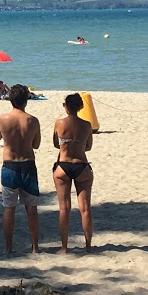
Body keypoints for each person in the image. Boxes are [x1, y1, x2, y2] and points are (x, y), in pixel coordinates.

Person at [0, 84, 42, 255]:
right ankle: (35, 247)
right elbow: (36, 144)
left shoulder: (2, 119)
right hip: (28, 165)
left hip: (9, 165)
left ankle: (8, 247)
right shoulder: (33, 120)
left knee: (9, 208)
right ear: (26, 100)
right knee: (31, 208)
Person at [51, 92, 94, 253]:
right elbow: (88, 147)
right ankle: (88, 245)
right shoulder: (86, 124)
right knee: (85, 208)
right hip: (82, 165)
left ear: (66, 106)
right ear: (81, 107)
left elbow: (56, 143)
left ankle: (64, 247)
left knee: (64, 209)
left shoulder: (59, 123)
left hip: (63, 165)